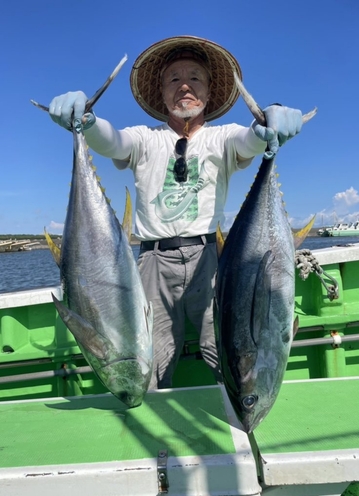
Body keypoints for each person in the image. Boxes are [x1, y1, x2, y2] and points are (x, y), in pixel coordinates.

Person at [48, 36, 303, 390]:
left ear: (209, 93)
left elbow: (249, 141)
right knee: (148, 360)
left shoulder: (223, 138)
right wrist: (87, 123)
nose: (184, 85)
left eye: (195, 78)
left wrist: (268, 124)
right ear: (163, 94)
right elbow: (112, 142)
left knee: (229, 349)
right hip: (153, 260)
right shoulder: (144, 139)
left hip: (210, 260)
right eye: (174, 79)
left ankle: (236, 418)